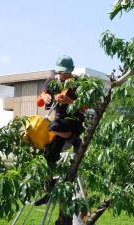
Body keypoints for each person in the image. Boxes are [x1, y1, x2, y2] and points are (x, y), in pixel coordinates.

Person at [34, 55, 84, 205]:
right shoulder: (52, 81)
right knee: (48, 156)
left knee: (52, 127)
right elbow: (40, 98)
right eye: (60, 72)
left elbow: (85, 107)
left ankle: (74, 137)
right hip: (59, 123)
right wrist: (45, 96)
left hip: (74, 120)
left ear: (71, 71)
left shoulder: (79, 83)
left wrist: (69, 101)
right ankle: (48, 192)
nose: (62, 75)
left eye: (65, 72)